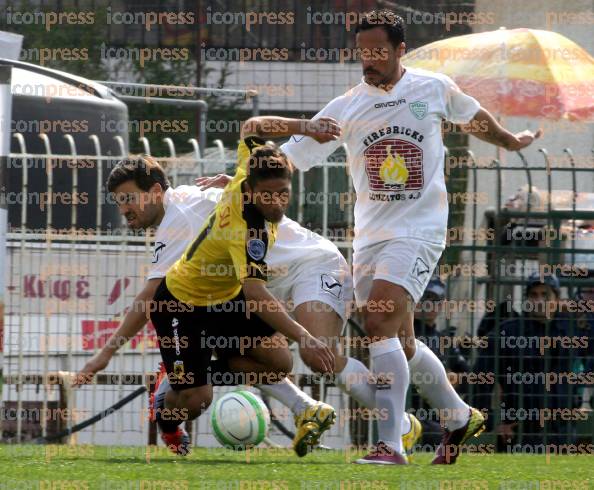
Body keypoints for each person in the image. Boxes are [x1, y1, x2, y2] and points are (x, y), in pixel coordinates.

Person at [277, 9, 542, 464]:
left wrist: (510, 141)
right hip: (371, 238)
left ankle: (390, 444)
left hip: (419, 231)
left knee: (377, 323)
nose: (369, 60)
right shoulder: (347, 105)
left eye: (379, 50)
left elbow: (473, 116)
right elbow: (291, 155)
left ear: (401, 50)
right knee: (400, 343)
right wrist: (233, 179)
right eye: (362, 52)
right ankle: (458, 417)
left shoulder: (432, 88)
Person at [473, 273, 591, 448]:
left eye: (545, 295)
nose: (539, 301)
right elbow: (479, 381)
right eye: (534, 295)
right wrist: (492, 424)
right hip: (519, 431)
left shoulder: (572, 330)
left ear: (557, 298)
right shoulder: (508, 332)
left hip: (562, 430)